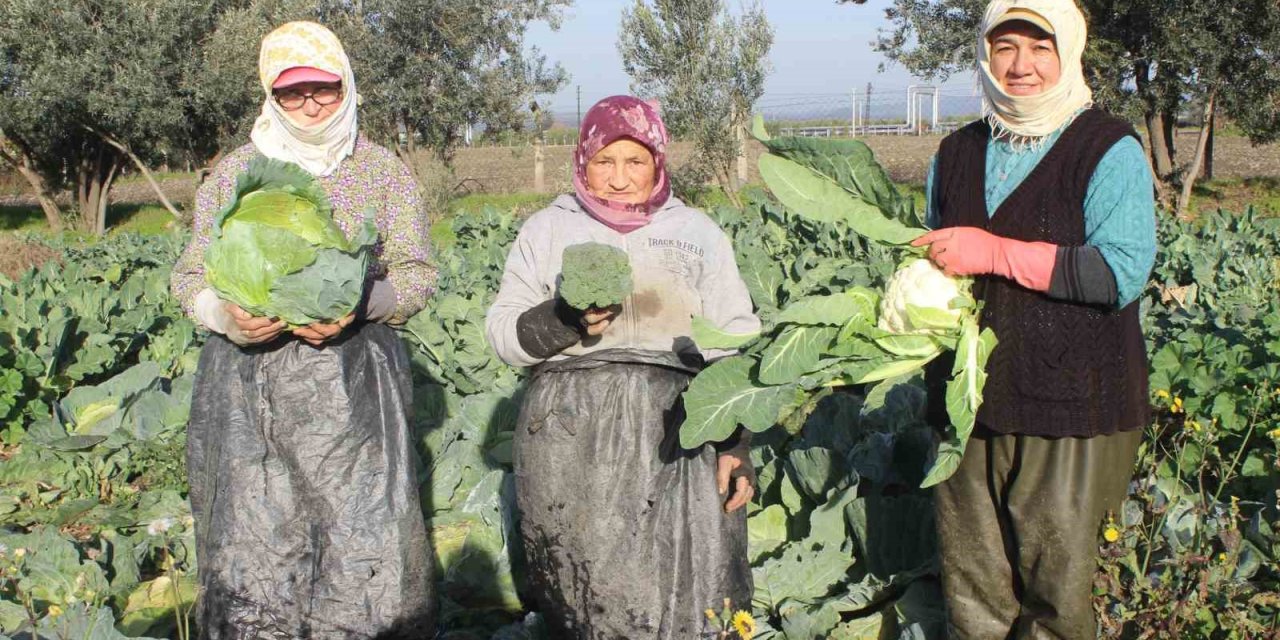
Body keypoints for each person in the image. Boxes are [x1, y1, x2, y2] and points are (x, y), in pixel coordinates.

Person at [170, 21, 435, 639]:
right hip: (247, 386)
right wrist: (226, 318)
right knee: (254, 533)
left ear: (347, 88)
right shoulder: (237, 174)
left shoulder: (383, 173)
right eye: (293, 93)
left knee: (362, 532)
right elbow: (188, 278)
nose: (310, 104)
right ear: (271, 97)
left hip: (354, 383)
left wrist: (363, 304)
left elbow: (419, 275)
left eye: (325, 89)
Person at [910, 0, 1157, 637]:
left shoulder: (1106, 147)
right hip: (969, 408)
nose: (1021, 66)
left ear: (1068, 50)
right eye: (1005, 47)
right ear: (986, 55)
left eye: (1039, 47)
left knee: (1059, 604)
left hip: (1071, 407)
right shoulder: (956, 152)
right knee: (974, 599)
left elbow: (1118, 272)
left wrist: (992, 252)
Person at [485, 95, 760, 639]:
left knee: (692, 578)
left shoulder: (696, 232)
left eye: (634, 161)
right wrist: (564, 320)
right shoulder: (547, 231)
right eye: (603, 162)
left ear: (658, 162)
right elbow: (503, 335)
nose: (617, 178)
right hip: (570, 434)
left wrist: (735, 445)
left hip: (678, 425)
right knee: (584, 579)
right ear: (582, 163)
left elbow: (733, 340)